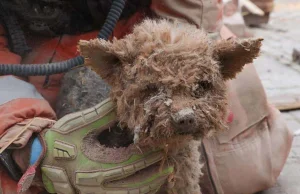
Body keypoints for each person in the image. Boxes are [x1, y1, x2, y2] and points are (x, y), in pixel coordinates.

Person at [0, 0, 293, 194]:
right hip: (26, 53)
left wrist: (181, 48)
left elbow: (189, 18)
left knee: (237, 168)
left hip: (158, 34)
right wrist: (22, 137)